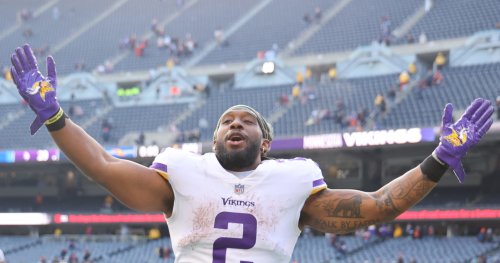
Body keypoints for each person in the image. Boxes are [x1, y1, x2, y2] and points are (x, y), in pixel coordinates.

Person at [9, 44, 494, 262]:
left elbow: (377, 206)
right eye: (226, 121)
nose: (234, 123)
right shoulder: (181, 172)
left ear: (266, 144)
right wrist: (56, 118)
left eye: (247, 121)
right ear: (214, 139)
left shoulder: (295, 180)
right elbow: (104, 166)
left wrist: (436, 161)